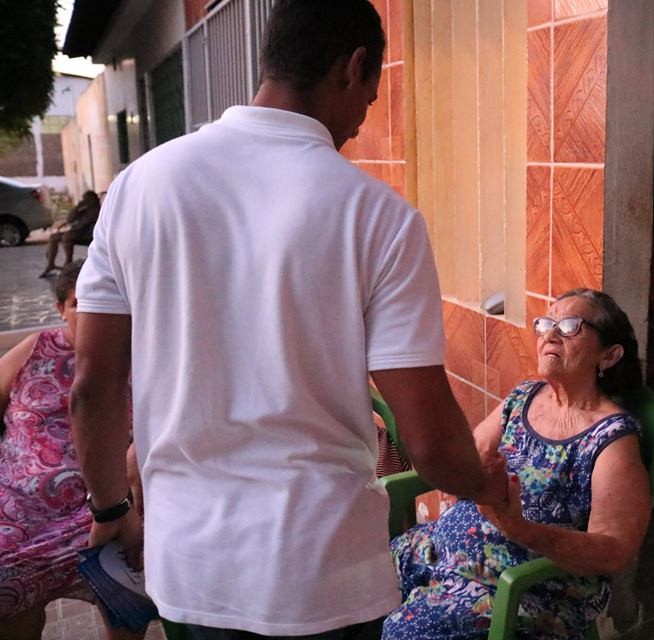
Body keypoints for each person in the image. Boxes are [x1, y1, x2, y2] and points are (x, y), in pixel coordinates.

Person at [69, 1, 506, 639]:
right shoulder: (378, 217)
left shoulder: (139, 187)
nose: (360, 123)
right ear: (353, 67)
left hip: (192, 571)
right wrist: (487, 485)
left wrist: (110, 509)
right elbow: (435, 446)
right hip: (324, 577)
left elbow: (93, 383)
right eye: (371, 98)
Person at [383, 289, 653, 640]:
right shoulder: (525, 396)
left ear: (610, 354)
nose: (549, 335)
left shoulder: (611, 438)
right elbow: (473, 453)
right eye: (545, 324)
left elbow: (614, 551)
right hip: (443, 550)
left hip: (522, 590)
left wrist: (517, 527)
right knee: (357, 577)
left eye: (570, 326)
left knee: (404, 631)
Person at [0, 261, 144, 640]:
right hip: (21, 516)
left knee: (128, 603)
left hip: (109, 510)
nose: (95, 311)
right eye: (81, 302)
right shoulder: (36, 349)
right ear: (60, 308)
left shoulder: (139, 357)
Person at [40, 191, 100, 278]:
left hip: (89, 235)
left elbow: (84, 225)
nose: (85, 201)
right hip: (79, 233)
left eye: (87, 199)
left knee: (67, 236)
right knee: (54, 237)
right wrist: (78, 207)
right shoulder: (84, 210)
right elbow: (69, 219)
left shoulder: (97, 211)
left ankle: (68, 262)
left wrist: (78, 223)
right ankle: (50, 264)